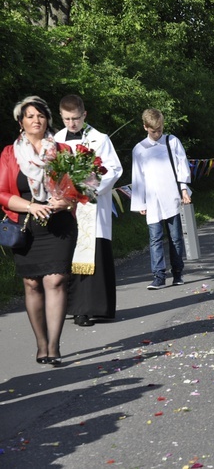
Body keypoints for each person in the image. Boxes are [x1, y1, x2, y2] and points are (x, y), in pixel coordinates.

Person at [0, 96, 78, 366]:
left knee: (55, 280)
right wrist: (32, 206)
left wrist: (64, 200)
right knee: (32, 284)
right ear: (21, 122)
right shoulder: (10, 154)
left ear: (48, 120)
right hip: (25, 225)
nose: (36, 120)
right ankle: (41, 344)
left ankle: (54, 346)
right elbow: (2, 193)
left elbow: (77, 191)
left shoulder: (63, 151)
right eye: (30, 116)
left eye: (41, 115)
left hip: (59, 225)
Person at [53, 95, 123, 327]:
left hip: (91, 204)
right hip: (66, 207)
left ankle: (98, 307)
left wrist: (89, 184)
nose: (71, 124)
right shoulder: (56, 140)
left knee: (95, 253)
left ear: (85, 115)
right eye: (66, 119)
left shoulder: (99, 139)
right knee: (70, 254)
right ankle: (77, 309)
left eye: (75, 118)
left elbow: (114, 168)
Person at [131, 109, 191, 289]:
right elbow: (137, 177)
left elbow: (182, 166)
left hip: (172, 196)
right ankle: (158, 276)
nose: (157, 134)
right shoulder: (139, 149)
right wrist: (139, 202)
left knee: (175, 238)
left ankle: (178, 272)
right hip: (152, 200)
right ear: (145, 128)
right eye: (153, 131)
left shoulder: (172, 142)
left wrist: (184, 190)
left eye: (159, 130)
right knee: (155, 238)